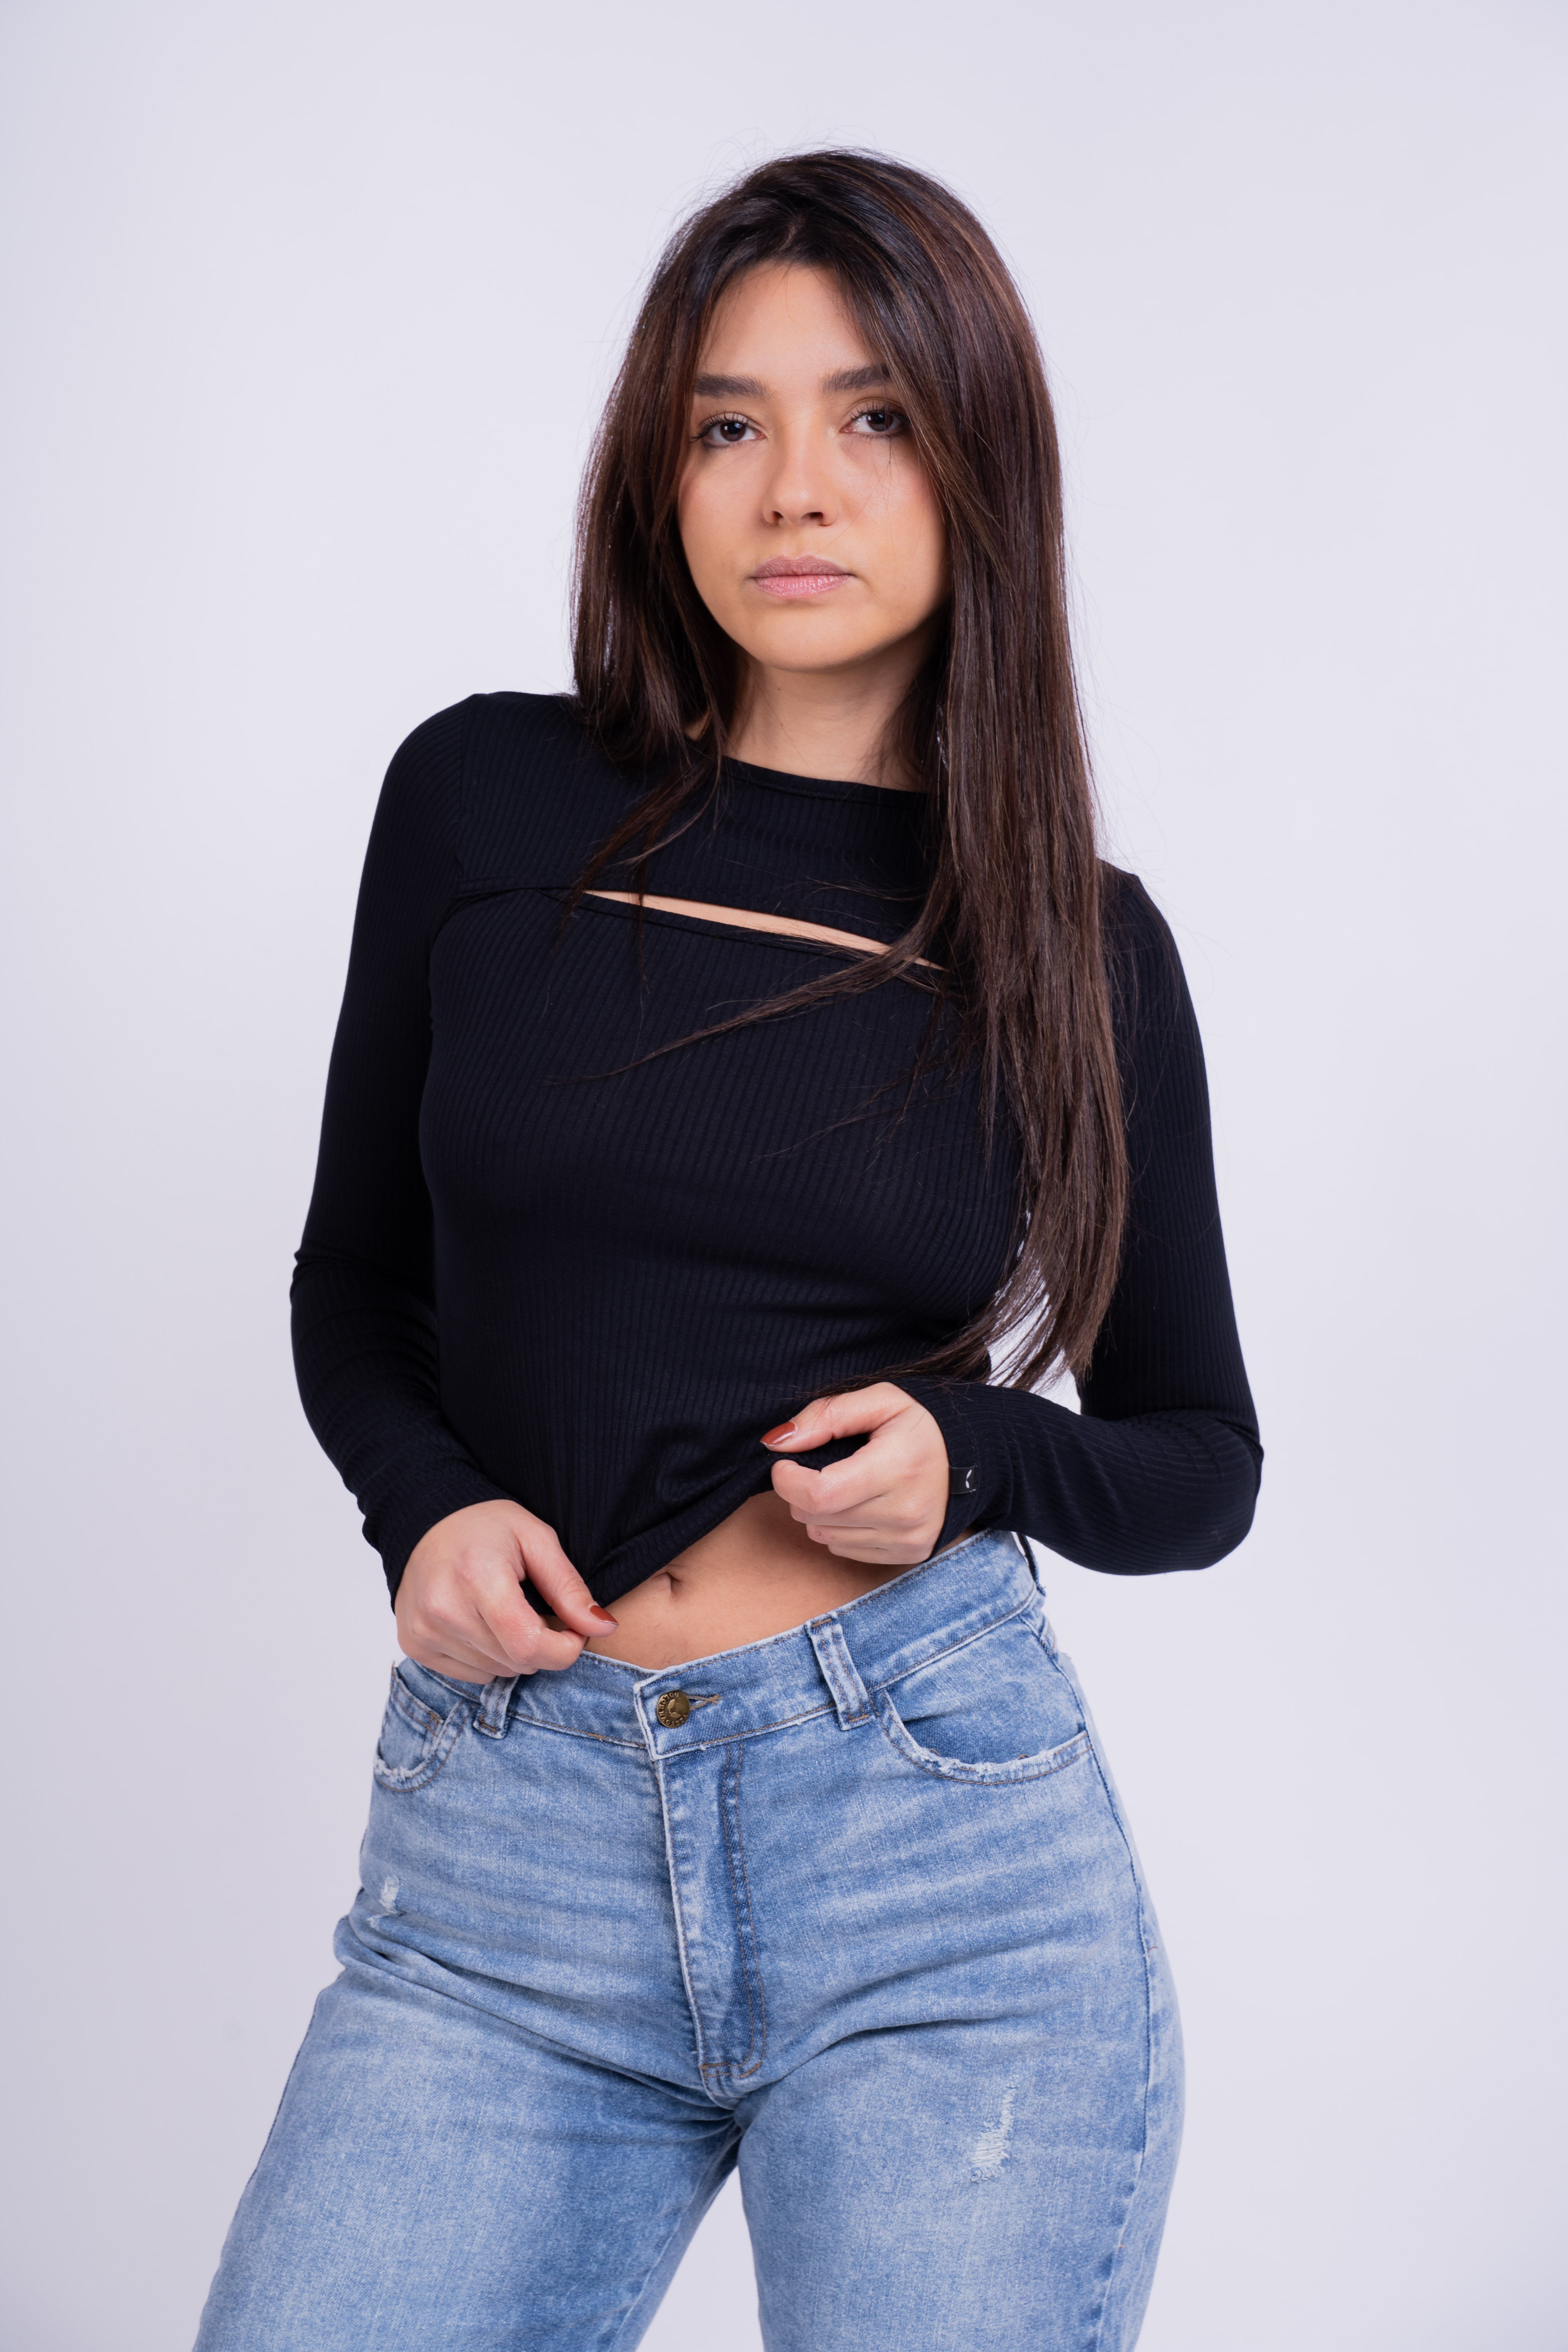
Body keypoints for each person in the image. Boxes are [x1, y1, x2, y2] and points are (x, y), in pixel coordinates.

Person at [195, 149, 1260, 2352]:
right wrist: (424, 1507)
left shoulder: (1075, 946)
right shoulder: (484, 803)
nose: (797, 487)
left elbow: (1199, 1457)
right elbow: (355, 1284)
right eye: (727, 423)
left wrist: (973, 1456)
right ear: (657, 473)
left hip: (940, 1877)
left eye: (875, 419)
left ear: (978, 469)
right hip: (504, 1864)